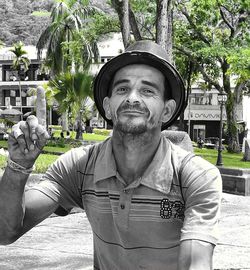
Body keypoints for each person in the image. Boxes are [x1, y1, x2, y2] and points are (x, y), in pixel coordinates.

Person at [0, 40, 222, 270]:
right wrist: (18, 166)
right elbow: (5, 233)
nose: (132, 98)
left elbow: (196, 262)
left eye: (147, 90)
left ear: (167, 110)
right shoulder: (79, 166)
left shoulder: (196, 177)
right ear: (107, 106)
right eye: (122, 89)